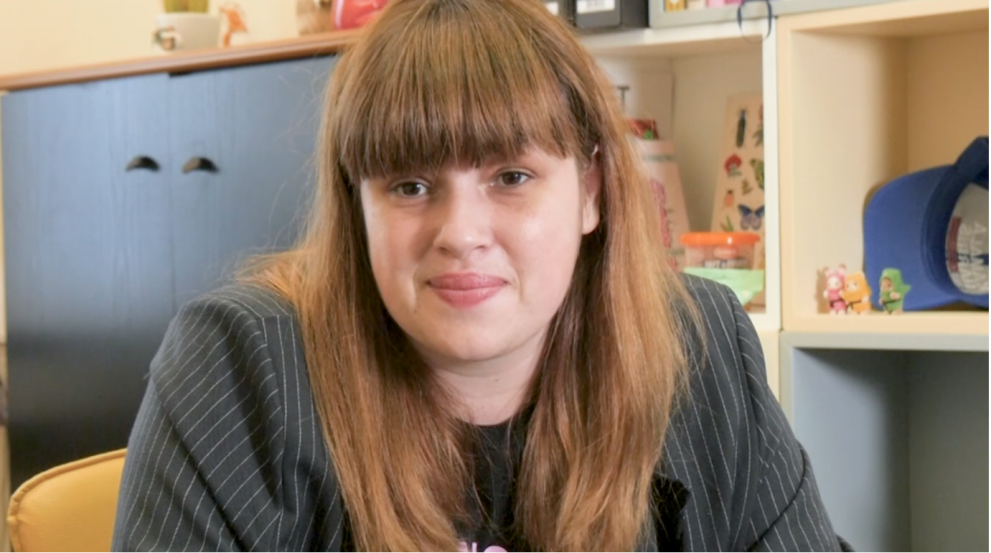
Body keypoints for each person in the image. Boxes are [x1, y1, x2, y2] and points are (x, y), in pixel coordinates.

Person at [112, 0, 850, 551]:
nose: (460, 234)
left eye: (511, 176)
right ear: (355, 203)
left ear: (589, 190)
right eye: (408, 186)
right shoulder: (239, 367)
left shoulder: (700, 340)